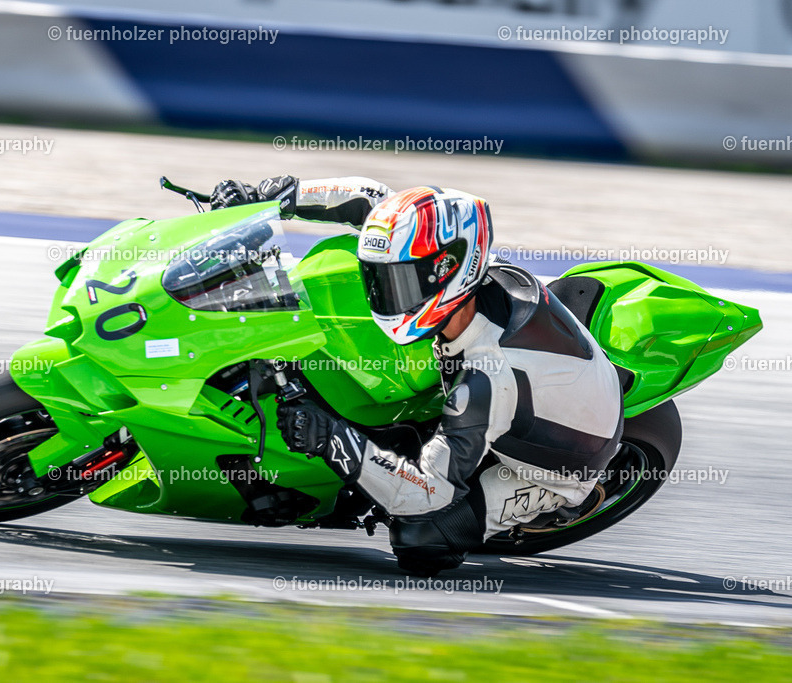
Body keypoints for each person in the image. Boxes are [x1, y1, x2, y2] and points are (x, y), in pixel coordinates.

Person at [211, 176, 624, 575]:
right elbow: (370, 197)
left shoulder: (486, 379)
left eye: (398, 280)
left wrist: (333, 438)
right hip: (540, 381)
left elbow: (426, 494)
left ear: (447, 272)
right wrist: (278, 196)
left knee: (421, 538)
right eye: (379, 276)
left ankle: (559, 501)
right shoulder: (456, 268)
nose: (382, 292)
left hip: (561, 460)